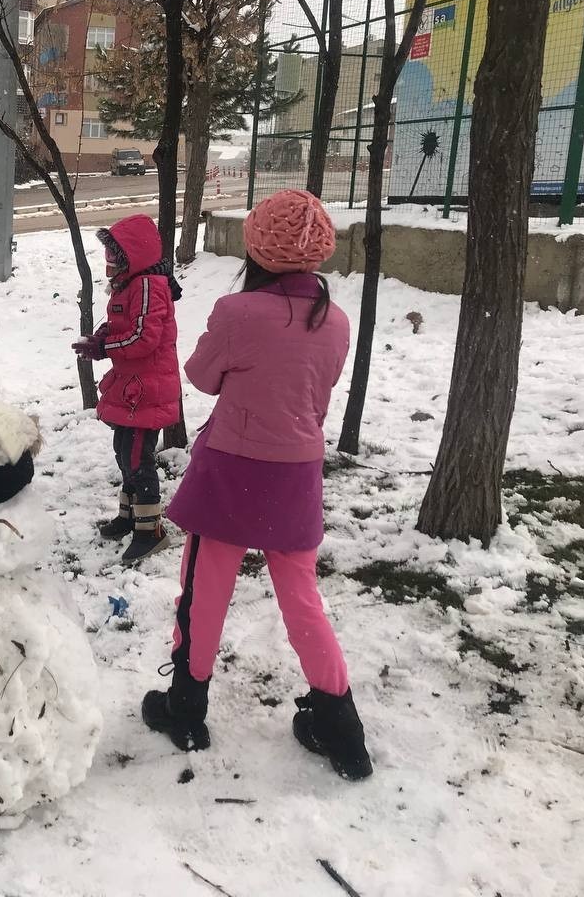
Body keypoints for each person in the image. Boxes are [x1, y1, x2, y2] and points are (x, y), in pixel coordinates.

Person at [140, 189, 371, 781]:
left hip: (234, 471)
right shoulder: (336, 320)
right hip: (297, 473)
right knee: (303, 600)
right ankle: (340, 727)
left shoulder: (238, 313)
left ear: (257, 249)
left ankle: (186, 709)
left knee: (204, 590)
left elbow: (201, 377)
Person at [73, 213, 182, 563]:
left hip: (147, 388)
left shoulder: (149, 286)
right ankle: (130, 515)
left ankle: (150, 531)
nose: (109, 266)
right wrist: (104, 334)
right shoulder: (131, 285)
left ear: (132, 257)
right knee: (124, 450)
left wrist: (105, 348)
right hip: (133, 386)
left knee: (137, 457)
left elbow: (144, 337)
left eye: (115, 258)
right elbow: (124, 322)